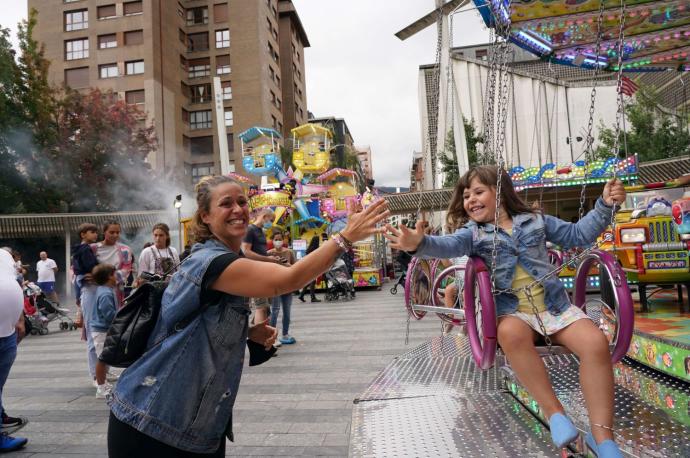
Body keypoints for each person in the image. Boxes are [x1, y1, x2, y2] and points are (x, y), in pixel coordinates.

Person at [107, 175, 389, 456]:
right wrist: (344, 237)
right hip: (153, 422)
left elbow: (194, 323)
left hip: (194, 426)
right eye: (226, 203)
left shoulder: (224, 259)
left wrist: (244, 332)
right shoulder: (212, 262)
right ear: (205, 216)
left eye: (242, 202)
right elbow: (288, 280)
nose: (238, 209)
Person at [384, 165, 626, 458]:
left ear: (500, 192)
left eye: (478, 191)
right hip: (513, 312)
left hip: (553, 308)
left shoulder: (535, 221)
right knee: (509, 333)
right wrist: (419, 244)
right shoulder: (472, 234)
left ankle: (603, 437)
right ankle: (555, 414)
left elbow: (578, 234)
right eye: (465, 195)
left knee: (595, 342)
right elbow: (447, 245)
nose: (470, 199)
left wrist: (605, 205)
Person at [0, 248, 28, 452]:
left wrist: (19, 319)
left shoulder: (5, 254)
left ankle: (0, 415)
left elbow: (16, 284)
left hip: (7, 332)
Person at [241, 208, 281, 323]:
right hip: (254, 273)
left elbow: (256, 251)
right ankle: (260, 338)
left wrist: (268, 254)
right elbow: (246, 251)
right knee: (261, 307)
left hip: (262, 273)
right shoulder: (250, 230)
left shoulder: (260, 231)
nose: (271, 223)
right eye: (271, 220)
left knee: (265, 308)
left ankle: (256, 332)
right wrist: (267, 259)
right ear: (264, 216)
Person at [89, 264, 118, 399]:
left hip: (102, 329)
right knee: (102, 359)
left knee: (105, 358)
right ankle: (100, 388)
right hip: (101, 330)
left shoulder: (104, 289)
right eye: (114, 274)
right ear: (109, 277)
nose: (116, 277)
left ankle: (103, 383)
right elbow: (109, 313)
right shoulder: (105, 293)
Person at [267, 231, 296, 345]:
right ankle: (272, 335)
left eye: (280, 239)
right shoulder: (268, 253)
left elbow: (295, 267)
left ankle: (285, 333)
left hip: (287, 286)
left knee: (287, 311)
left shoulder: (289, 252)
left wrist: (287, 264)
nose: (278, 241)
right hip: (275, 285)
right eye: (276, 239)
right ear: (272, 240)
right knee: (275, 310)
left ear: (283, 240)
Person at [71, 223, 99, 308]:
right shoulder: (86, 249)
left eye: (96, 232)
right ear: (83, 235)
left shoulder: (78, 249)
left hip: (79, 279)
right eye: (93, 232)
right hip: (88, 280)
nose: (96, 235)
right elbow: (90, 266)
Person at [298, 236, 321, 303]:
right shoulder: (316, 249)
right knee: (312, 282)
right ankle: (312, 297)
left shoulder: (309, 249)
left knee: (309, 282)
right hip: (313, 267)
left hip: (308, 266)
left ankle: (301, 295)